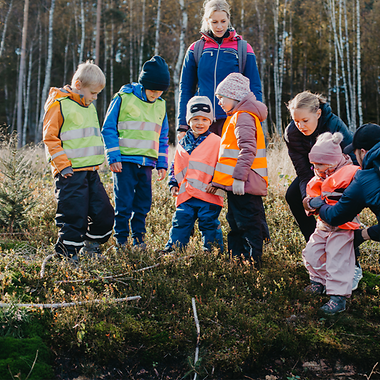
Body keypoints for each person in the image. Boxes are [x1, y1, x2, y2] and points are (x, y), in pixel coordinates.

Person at [43, 61, 114, 262]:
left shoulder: (88, 106)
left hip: (91, 172)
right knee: (74, 218)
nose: (95, 98)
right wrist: (62, 166)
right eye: (93, 93)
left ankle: (91, 247)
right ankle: (67, 258)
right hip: (69, 174)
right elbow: (50, 139)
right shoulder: (58, 104)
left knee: (105, 214)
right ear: (78, 84)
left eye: (98, 93)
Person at [101, 56, 170, 249]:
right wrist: (113, 157)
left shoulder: (161, 105)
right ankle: (121, 242)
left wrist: (162, 163)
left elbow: (163, 136)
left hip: (147, 163)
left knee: (143, 205)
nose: (156, 94)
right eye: (153, 90)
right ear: (144, 84)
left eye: (160, 91)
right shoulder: (123, 98)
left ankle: (139, 240)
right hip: (124, 162)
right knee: (123, 204)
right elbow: (108, 128)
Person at [177, 0, 262, 138]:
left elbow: (254, 88)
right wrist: (182, 126)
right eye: (214, 22)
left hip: (233, 121)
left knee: (230, 160)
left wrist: (255, 121)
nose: (219, 26)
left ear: (228, 19)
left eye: (223, 21)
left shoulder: (243, 49)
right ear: (207, 21)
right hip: (202, 121)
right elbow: (186, 89)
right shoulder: (195, 49)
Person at [211, 73, 269, 267]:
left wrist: (238, 178)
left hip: (245, 183)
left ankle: (253, 262)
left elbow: (248, 149)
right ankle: (236, 259)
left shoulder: (243, 117)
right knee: (235, 221)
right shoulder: (237, 116)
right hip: (239, 184)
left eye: (222, 98)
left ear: (235, 97)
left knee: (247, 223)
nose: (219, 102)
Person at [284, 91, 356, 243]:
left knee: (335, 201)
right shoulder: (292, 134)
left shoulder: (333, 124)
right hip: (315, 173)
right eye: (296, 121)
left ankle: (349, 249)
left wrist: (331, 187)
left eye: (305, 120)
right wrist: (307, 198)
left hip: (342, 172)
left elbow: (353, 156)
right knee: (293, 195)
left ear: (318, 114)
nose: (300, 126)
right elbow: (303, 172)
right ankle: (315, 243)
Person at [302, 132, 360, 315]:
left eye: (320, 164)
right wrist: (310, 203)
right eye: (314, 164)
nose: (316, 168)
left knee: (338, 259)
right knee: (311, 252)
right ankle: (318, 281)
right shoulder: (317, 178)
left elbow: (358, 195)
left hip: (343, 226)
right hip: (323, 224)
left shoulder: (351, 174)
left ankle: (338, 297)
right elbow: (308, 198)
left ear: (333, 161)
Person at [161, 96, 224, 252]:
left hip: (209, 194)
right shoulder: (182, 143)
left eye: (204, 119)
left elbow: (223, 166)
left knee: (209, 224)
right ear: (189, 121)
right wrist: (173, 183)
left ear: (210, 121)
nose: (200, 123)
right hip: (186, 194)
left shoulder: (217, 142)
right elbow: (176, 165)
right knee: (180, 222)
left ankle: (213, 252)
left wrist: (216, 183)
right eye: (195, 119)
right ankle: (174, 250)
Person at [317, 123, 380, 254]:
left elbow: (335, 216)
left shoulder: (365, 179)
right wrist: (364, 234)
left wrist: (319, 205)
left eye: (355, 153)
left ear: (363, 152)